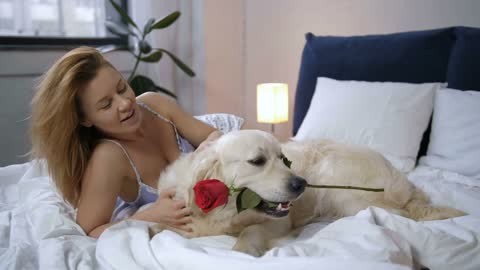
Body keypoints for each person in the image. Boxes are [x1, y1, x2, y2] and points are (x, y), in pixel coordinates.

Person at [30, 46, 223, 238]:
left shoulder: (154, 104)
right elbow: (89, 231)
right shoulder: (108, 157)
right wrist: (149, 216)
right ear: (85, 120)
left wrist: (207, 149)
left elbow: (214, 133)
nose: (125, 103)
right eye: (106, 104)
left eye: (122, 88)